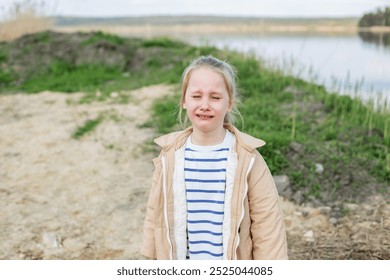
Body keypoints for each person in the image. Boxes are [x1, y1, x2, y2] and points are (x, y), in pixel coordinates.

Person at [140, 55, 288, 260]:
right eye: (196, 96)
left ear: (229, 103)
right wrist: (150, 256)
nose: (205, 105)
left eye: (215, 97)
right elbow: (154, 213)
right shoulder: (169, 155)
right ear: (184, 100)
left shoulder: (248, 158)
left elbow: (268, 223)